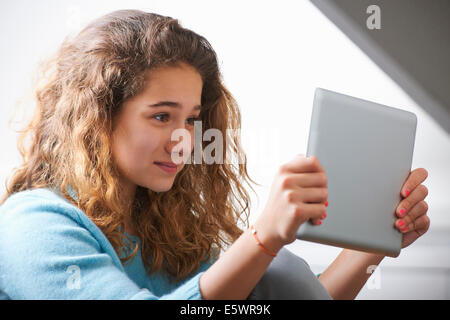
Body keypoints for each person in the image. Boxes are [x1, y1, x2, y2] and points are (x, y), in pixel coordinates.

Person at [0, 10, 430, 300]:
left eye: (190, 119)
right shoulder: (32, 227)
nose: (183, 139)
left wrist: (374, 243)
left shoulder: (164, 230)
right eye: (161, 116)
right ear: (97, 119)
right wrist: (262, 239)